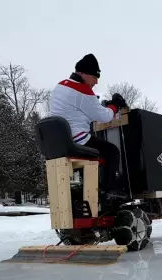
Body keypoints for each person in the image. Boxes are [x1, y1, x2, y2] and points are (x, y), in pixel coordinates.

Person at [47, 53, 128, 191]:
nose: (96, 82)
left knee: (98, 148)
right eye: (95, 77)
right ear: (83, 73)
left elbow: (79, 111)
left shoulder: (60, 86)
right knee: (112, 152)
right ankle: (109, 191)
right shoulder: (82, 90)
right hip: (74, 140)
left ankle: (89, 190)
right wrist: (114, 105)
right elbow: (104, 117)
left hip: (55, 142)